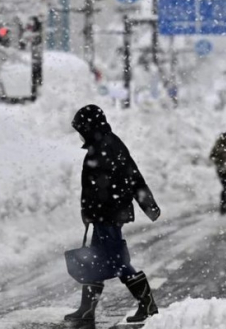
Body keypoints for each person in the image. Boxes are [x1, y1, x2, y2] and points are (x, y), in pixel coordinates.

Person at [65, 104, 161, 324]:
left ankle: (147, 305)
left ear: (89, 127)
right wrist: (88, 212)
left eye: (81, 129)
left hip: (109, 215)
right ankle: (87, 310)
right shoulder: (101, 144)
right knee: (96, 260)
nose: (80, 135)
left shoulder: (108, 145)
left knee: (118, 261)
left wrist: (148, 205)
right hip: (103, 215)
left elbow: (131, 175)